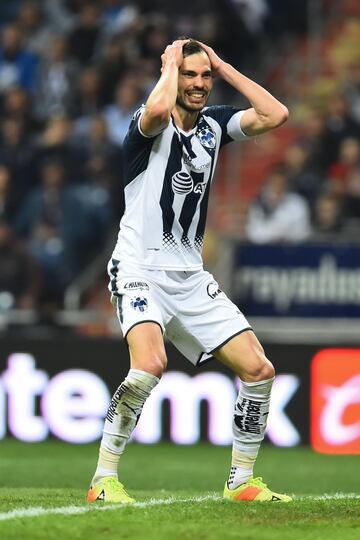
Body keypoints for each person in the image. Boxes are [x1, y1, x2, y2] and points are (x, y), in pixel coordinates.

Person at [87, 38, 291, 504]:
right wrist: (168, 67)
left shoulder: (215, 125)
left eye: (205, 77)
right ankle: (102, 480)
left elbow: (276, 114)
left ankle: (240, 481)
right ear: (172, 77)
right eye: (189, 75)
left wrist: (224, 65)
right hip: (139, 266)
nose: (198, 84)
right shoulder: (145, 126)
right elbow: (158, 109)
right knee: (151, 364)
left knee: (259, 370)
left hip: (189, 275)